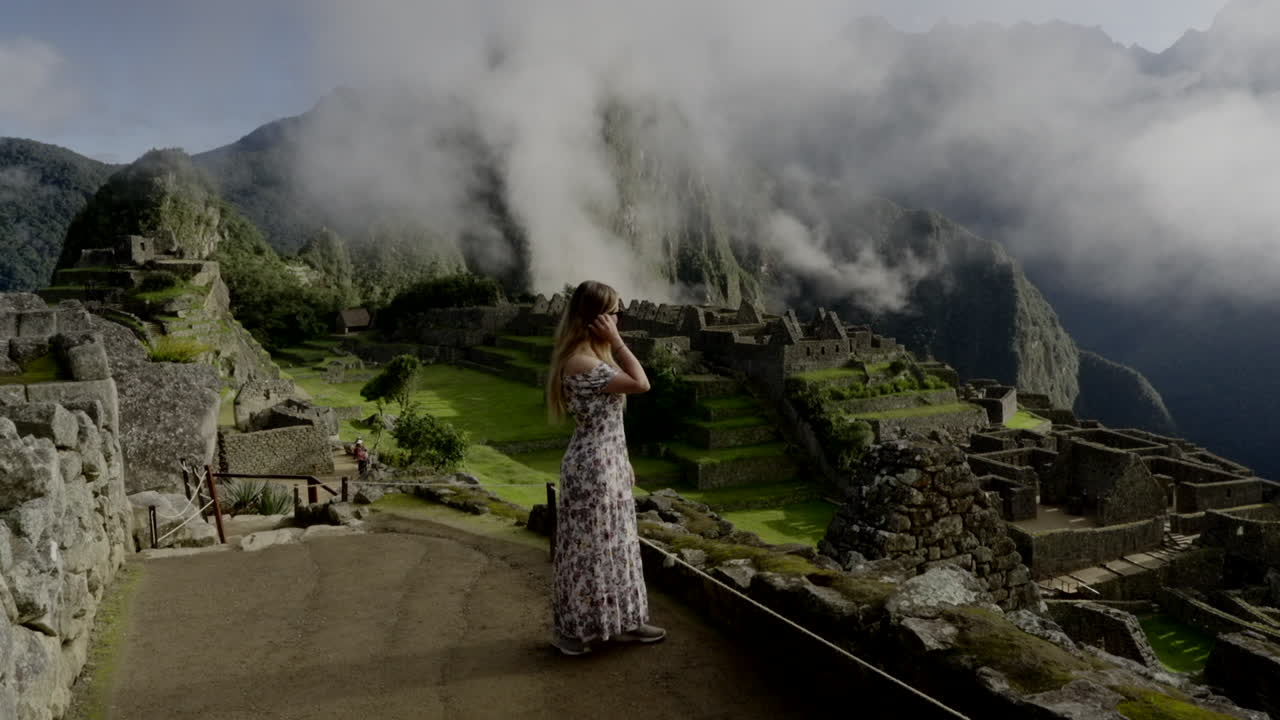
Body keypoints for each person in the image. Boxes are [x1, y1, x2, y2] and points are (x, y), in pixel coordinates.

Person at [545, 280, 664, 656]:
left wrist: (624, 460)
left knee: (616, 546)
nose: (618, 319)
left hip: (606, 462)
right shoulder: (582, 361)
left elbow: (608, 420)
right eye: (614, 314)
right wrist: (618, 342)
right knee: (588, 552)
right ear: (596, 319)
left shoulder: (592, 359)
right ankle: (575, 631)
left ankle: (623, 621)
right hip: (593, 469)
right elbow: (641, 383)